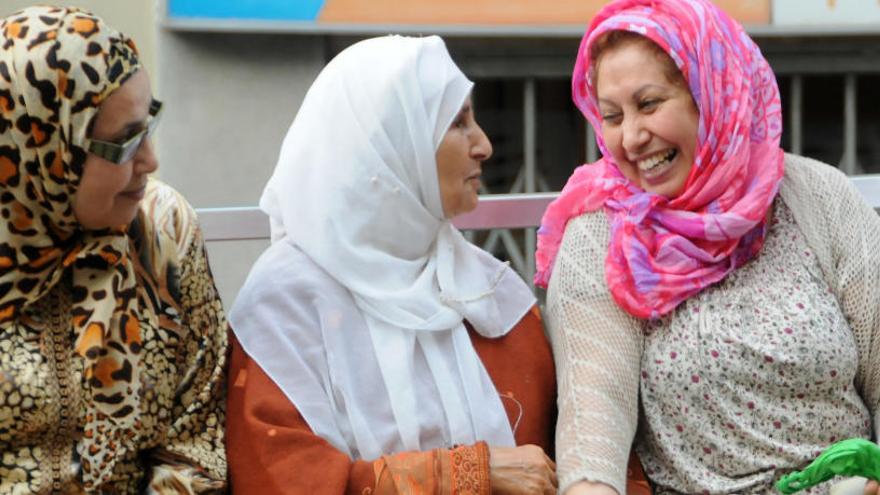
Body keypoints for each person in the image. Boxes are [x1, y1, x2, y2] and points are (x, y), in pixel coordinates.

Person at [534, 0, 880, 494]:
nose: (631, 138)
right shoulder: (603, 234)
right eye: (612, 116)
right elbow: (594, 418)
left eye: (649, 104)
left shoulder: (816, 197)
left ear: (714, 93)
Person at [225, 35, 560, 494]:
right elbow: (283, 478)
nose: (483, 145)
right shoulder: (284, 307)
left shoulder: (489, 294)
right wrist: (467, 475)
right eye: (458, 122)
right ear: (390, 143)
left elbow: (569, 450)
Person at [0, 6, 228, 493]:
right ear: (49, 152)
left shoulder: (162, 229)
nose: (151, 160)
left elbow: (197, 441)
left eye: (149, 125)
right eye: (124, 144)